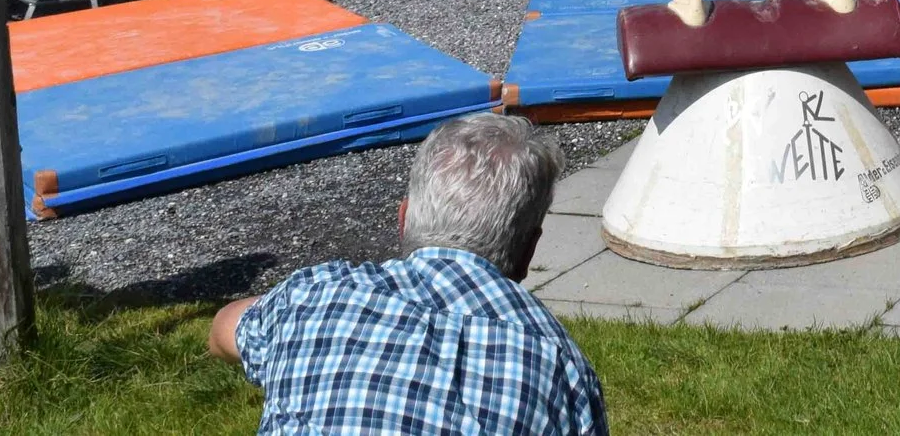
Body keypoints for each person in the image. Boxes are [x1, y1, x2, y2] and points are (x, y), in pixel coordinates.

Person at [212, 112, 606, 436]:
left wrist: (284, 309)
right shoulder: (559, 365)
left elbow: (223, 329)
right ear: (529, 250)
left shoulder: (311, 297)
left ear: (403, 219)